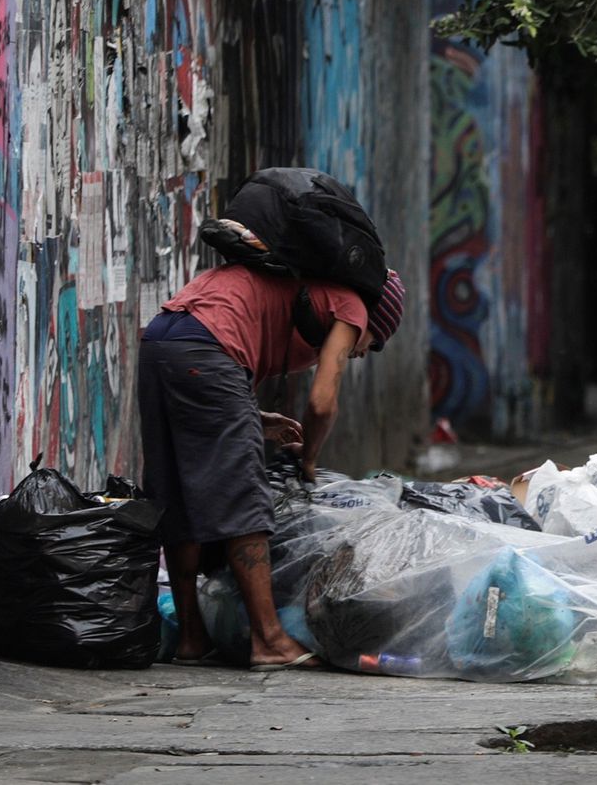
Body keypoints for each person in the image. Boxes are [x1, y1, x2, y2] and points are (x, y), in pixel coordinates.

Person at [138, 263, 406, 670]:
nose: (363, 350)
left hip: (162, 338)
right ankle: (268, 639)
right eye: (375, 341)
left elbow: (210, 349)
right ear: (373, 317)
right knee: (244, 496)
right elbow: (321, 403)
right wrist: (310, 457)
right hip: (208, 346)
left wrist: (253, 417)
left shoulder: (296, 285)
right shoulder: (351, 306)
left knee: (177, 490)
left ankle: (192, 636)